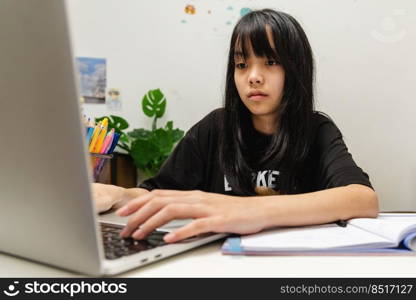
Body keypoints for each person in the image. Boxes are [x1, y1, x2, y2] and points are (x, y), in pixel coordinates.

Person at [93, 9, 378, 243]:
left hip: (293, 266)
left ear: (296, 68)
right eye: (242, 64)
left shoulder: (316, 129)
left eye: (270, 62)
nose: (253, 76)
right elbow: (158, 192)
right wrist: (117, 194)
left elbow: (363, 199)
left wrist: (253, 210)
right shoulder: (215, 128)